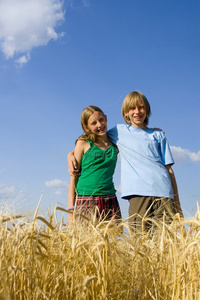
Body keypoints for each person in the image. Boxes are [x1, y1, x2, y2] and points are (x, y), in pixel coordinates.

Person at [67, 105, 122, 225]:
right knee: (85, 241)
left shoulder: (115, 141)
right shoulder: (83, 143)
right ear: (86, 127)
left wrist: (152, 130)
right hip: (86, 199)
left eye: (101, 120)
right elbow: (74, 176)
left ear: (106, 118)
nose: (99, 125)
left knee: (112, 241)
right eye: (93, 123)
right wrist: (71, 211)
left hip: (109, 198)